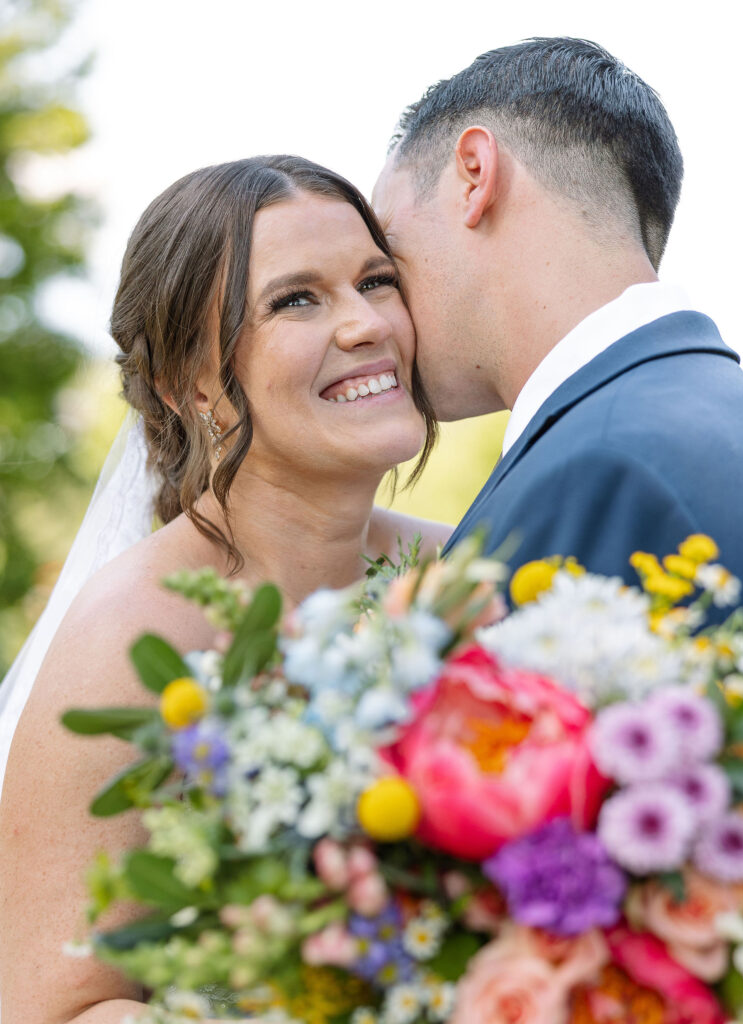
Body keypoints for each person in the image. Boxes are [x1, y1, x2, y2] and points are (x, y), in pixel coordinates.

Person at [0, 155, 451, 1024]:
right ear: (188, 384)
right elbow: (49, 1007)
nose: (365, 324)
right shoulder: (132, 636)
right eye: (297, 299)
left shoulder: (462, 580)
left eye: (375, 280)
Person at [373, 36, 743, 672]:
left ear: (474, 175)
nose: (377, 311)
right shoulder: (704, 410)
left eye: (388, 256)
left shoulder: (603, 468)